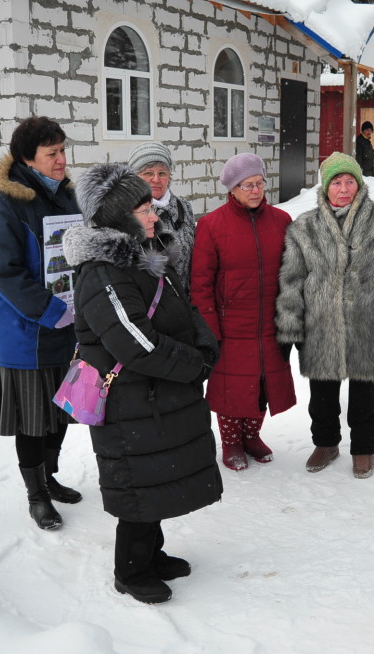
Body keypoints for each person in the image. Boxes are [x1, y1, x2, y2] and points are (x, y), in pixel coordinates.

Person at [63, 163, 222, 605]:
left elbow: (181, 303)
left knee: (155, 478)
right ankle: (130, 571)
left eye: (152, 207)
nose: (153, 215)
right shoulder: (101, 270)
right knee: (137, 483)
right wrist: (194, 364)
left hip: (153, 394)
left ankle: (152, 553)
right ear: (118, 217)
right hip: (128, 400)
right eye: (143, 209)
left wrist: (206, 343)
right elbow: (137, 343)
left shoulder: (145, 255)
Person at [275, 152, 374, 478]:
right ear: (325, 188)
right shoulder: (305, 228)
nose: (343, 188)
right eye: (336, 182)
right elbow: (291, 280)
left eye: (349, 181)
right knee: (322, 397)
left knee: (366, 398)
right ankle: (326, 443)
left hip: (369, 327)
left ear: (359, 184)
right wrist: (290, 329)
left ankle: (364, 449)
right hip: (320, 328)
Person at [0, 116, 83, 532]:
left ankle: (50, 476)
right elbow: (5, 273)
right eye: (52, 153)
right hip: (26, 332)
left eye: (62, 150)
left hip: (67, 322)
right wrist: (51, 311)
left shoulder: (65, 196)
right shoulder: (5, 205)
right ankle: (36, 495)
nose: (61, 160)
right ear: (27, 158)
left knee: (58, 413)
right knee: (33, 419)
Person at [191, 153, 297, 471]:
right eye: (247, 184)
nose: (255, 190)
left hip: (270, 322)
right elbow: (201, 283)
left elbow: (293, 275)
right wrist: (211, 329)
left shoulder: (282, 221)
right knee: (232, 388)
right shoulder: (211, 225)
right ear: (233, 189)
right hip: (231, 324)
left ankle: (252, 436)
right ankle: (231, 441)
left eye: (259, 183)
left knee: (263, 385)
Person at [127, 141, 196, 294]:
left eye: (162, 173)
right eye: (148, 173)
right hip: (147, 305)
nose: (156, 179)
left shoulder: (184, 208)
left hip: (184, 303)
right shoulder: (126, 211)